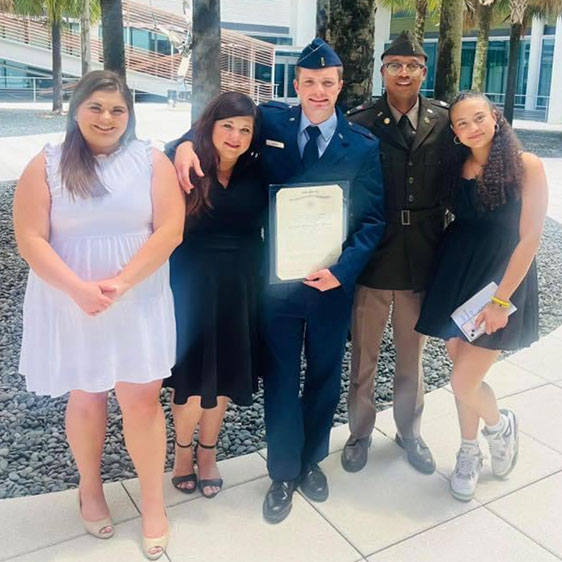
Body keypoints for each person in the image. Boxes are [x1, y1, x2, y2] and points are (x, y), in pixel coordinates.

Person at [169, 38, 385, 523]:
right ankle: (283, 473)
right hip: (277, 283)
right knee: (283, 378)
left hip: (330, 284)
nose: (318, 91)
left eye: (327, 83)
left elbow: (373, 220)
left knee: (325, 376)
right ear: (297, 85)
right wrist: (181, 145)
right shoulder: (271, 123)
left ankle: (312, 464)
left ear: (340, 86)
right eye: (309, 82)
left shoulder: (363, 145)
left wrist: (344, 271)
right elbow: (219, 125)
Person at [14, 70, 185, 560]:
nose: (106, 118)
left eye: (117, 109)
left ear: (130, 114)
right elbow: (30, 237)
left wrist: (122, 282)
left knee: (142, 400)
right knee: (87, 396)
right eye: (96, 107)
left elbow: (170, 229)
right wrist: (78, 290)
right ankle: (90, 488)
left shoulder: (150, 160)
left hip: (138, 296)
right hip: (71, 300)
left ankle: (153, 503)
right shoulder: (45, 164)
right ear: (76, 109)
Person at [416, 91, 547, 501]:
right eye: (461, 123)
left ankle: (499, 427)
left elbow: (530, 238)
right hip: (459, 273)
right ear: (453, 132)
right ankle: (468, 450)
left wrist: (502, 301)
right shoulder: (460, 166)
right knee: (461, 374)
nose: (472, 128)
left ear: (494, 116)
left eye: (478, 118)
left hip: (501, 280)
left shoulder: (527, 166)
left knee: (463, 380)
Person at [341, 30, 449, 475]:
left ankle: (409, 431)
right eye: (394, 66)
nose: (403, 73)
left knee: (412, 354)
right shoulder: (360, 120)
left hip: (421, 256)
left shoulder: (443, 122)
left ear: (424, 71)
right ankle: (360, 432)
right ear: (382, 71)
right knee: (364, 354)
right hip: (374, 254)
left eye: (412, 66)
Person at [163, 92, 265, 499]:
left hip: (240, 288)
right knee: (188, 379)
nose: (236, 136)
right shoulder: (185, 167)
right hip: (189, 286)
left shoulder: (258, 170)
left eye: (245, 129)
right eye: (227, 126)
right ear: (209, 126)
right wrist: (182, 144)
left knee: (223, 377)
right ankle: (182, 452)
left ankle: (209, 453)